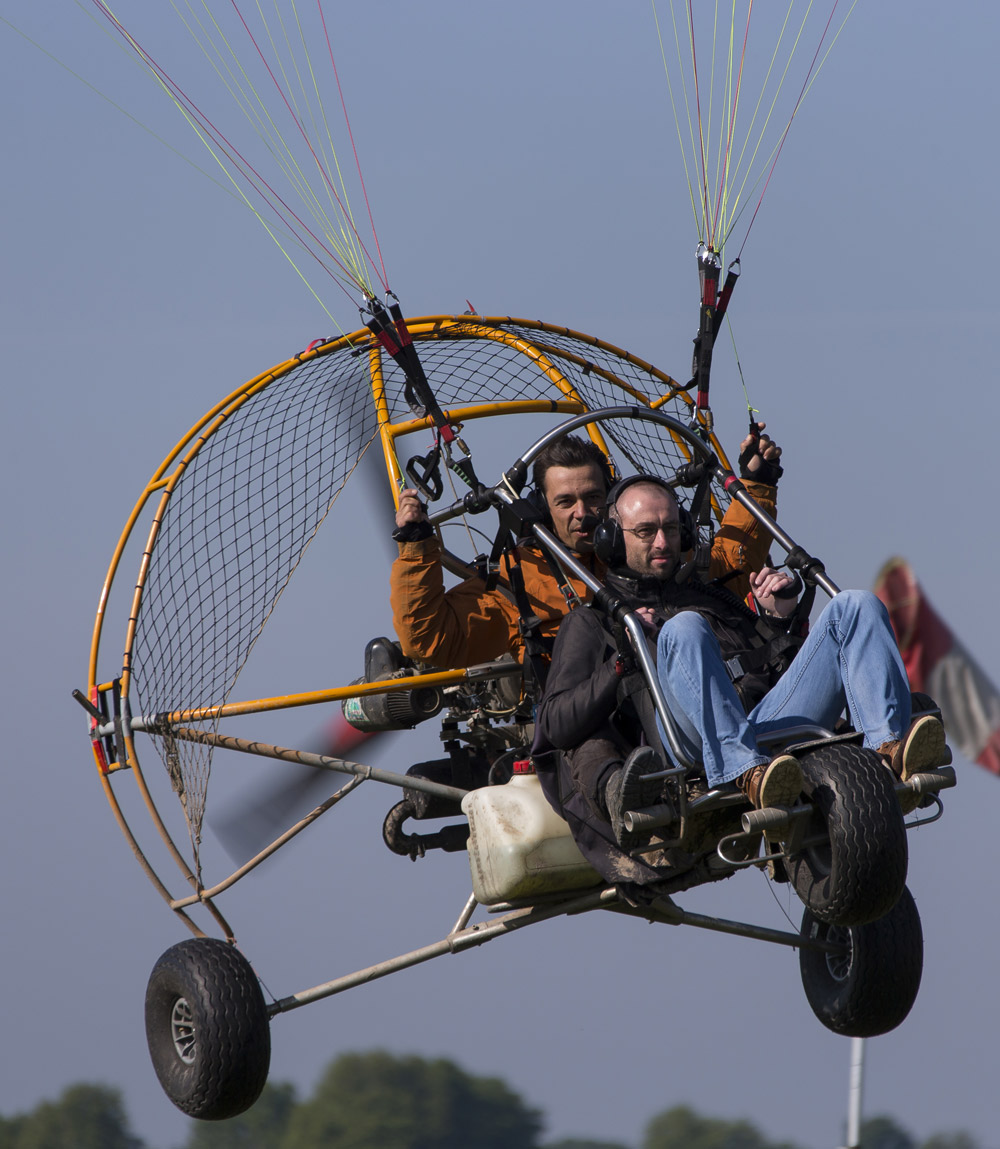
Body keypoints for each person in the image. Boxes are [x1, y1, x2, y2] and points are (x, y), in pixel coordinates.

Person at [535, 475, 948, 868]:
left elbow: (776, 673)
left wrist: (780, 621)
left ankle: (887, 751)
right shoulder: (592, 623)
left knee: (855, 604)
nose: (662, 542)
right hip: (690, 748)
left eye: (671, 529)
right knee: (683, 627)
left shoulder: (711, 598)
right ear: (611, 541)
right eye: (645, 531)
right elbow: (556, 725)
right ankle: (743, 771)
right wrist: (622, 658)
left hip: (764, 728)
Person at [390, 426, 783, 671]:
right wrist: (416, 548)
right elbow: (430, 640)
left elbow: (731, 568)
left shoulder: (646, 546)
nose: (583, 513)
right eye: (565, 502)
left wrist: (755, 485)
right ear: (544, 507)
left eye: (593, 497)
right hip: (593, 724)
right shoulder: (519, 581)